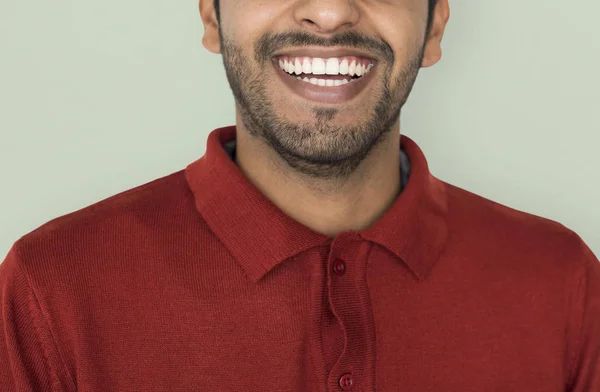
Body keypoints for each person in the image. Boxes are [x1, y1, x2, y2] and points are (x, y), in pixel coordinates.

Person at [1, 0, 598, 390]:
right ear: (211, 17)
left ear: (435, 27)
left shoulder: (561, 280)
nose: (332, 13)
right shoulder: (52, 288)